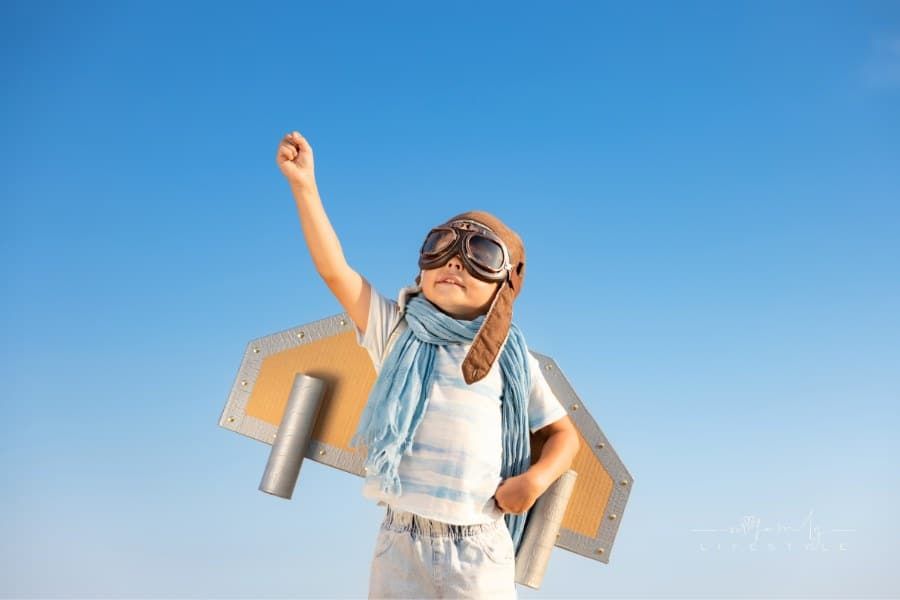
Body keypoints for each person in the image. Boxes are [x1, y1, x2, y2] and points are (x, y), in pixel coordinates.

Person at [276, 130, 580, 599]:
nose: (455, 263)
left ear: (504, 289)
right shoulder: (396, 331)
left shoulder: (510, 359)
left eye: (479, 255)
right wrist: (304, 186)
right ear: (422, 268)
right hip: (400, 541)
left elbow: (564, 436)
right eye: (441, 247)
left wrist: (534, 482)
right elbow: (336, 271)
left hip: (478, 544)